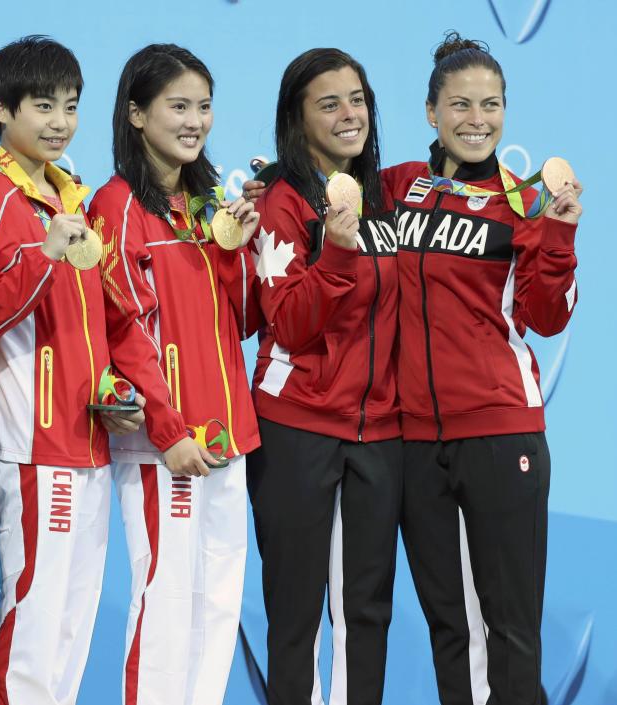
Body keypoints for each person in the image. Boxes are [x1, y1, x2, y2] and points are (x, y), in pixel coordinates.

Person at [380, 32, 583, 705]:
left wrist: (558, 236)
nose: (477, 118)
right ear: (430, 111)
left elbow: (546, 315)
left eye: (491, 105)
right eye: (460, 104)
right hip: (414, 443)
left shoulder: (525, 202)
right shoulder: (402, 186)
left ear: (506, 111)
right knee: (451, 629)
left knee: (511, 630)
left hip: (500, 433)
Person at [0, 35, 141, 705]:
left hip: (90, 440)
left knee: (72, 623)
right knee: (34, 622)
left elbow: (92, 322)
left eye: (71, 105)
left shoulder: (72, 195)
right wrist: (42, 255)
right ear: (2, 110)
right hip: (36, 449)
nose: (60, 121)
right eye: (42, 106)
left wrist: (118, 388)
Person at [88, 43, 261, 705]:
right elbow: (125, 329)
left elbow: (241, 319)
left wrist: (236, 253)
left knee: (218, 602)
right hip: (171, 444)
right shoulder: (117, 205)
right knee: (165, 599)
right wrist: (168, 430)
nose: (195, 120)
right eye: (177, 106)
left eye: (204, 106)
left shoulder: (206, 203)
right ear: (136, 113)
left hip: (227, 436)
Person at [246, 48, 402, 705]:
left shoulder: (387, 195)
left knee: (365, 611)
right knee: (297, 613)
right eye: (329, 102)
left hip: (378, 433)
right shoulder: (284, 202)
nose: (348, 114)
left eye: (357, 98)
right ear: (296, 117)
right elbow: (290, 322)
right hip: (297, 428)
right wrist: (336, 251)